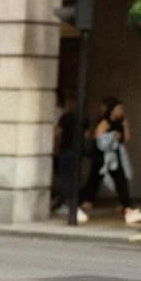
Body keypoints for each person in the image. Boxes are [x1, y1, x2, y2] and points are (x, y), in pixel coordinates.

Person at [80, 97, 141, 225]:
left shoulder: (121, 122)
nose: (121, 111)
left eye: (122, 109)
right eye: (118, 109)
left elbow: (126, 138)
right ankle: (75, 202)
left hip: (115, 156)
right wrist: (112, 136)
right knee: (95, 180)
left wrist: (125, 126)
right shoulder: (105, 122)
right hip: (104, 156)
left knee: (119, 180)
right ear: (112, 110)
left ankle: (128, 207)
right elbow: (98, 138)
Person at [51, 94, 86, 223]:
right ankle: (72, 203)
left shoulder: (65, 117)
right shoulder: (83, 118)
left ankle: (67, 204)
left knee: (65, 177)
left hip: (66, 150)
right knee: (73, 177)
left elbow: (57, 132)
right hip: (77, 152)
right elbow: (86, 136)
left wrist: (55, 147)